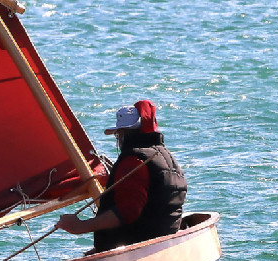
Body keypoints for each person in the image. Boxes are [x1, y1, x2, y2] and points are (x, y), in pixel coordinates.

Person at [56, 100, 187, 252]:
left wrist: (81, 226)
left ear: (123, 134)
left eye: (118, 135)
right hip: (160, 244)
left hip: (139, 252)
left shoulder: (133, 161)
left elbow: (128, 211)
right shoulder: (166, 156)